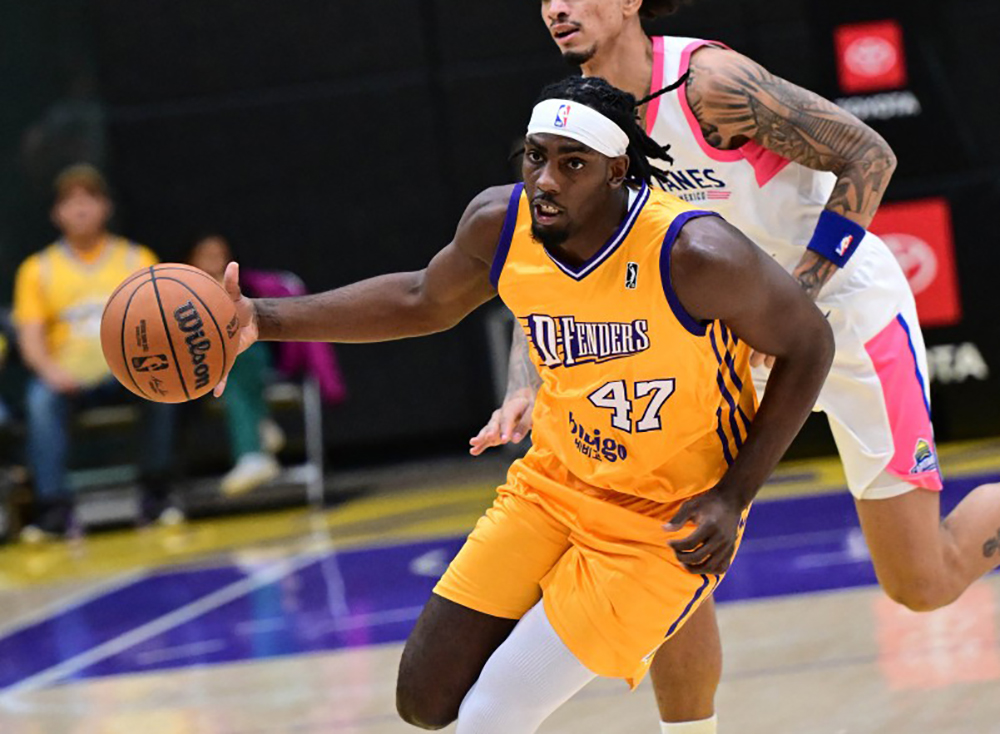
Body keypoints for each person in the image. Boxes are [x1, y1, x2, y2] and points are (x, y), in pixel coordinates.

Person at [217, 76, 834, 733]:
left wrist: (733, 497)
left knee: (491, 716)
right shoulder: (500, 223)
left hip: (662, 519)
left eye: (572, 164)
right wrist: (259, 317)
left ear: (616, 172)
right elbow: (420, 299)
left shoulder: (695, 254)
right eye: (536, 157)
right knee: (425, 702)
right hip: (554, 485)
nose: (545, 179)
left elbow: (810, 346)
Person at [468, 2, 1000, 732]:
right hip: (727, 344)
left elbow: (868, 154)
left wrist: (797, 300)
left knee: (922, 583)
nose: (557, 6)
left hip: (844, 316)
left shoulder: (710, 85)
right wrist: (523, 377)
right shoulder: (579, 126)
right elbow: (562, 266)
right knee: (672, 545)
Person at [12, 164, 177, 540]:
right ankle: (53, 508)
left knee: (165, 386)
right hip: (68, 374)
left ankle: (157, 493)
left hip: (127, 369)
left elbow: (160, 322)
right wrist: (51, 371)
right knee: (40, 399)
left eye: (89, 198)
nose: (81, 208)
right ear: (57, 213)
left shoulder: (138, 259)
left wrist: (144, 360)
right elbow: (31, 337)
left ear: (106, 207)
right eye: (70, 201)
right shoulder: (38, 269)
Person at [188, 234, 282, 495]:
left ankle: (251, 453)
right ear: (191, 260)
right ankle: (260, 427)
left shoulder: (241, 287)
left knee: (238, 361)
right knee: (229, 365)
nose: (213, 259)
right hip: (197, 367)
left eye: (219, 253)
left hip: (243, 359)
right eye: (206, 253)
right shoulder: (180, 291)